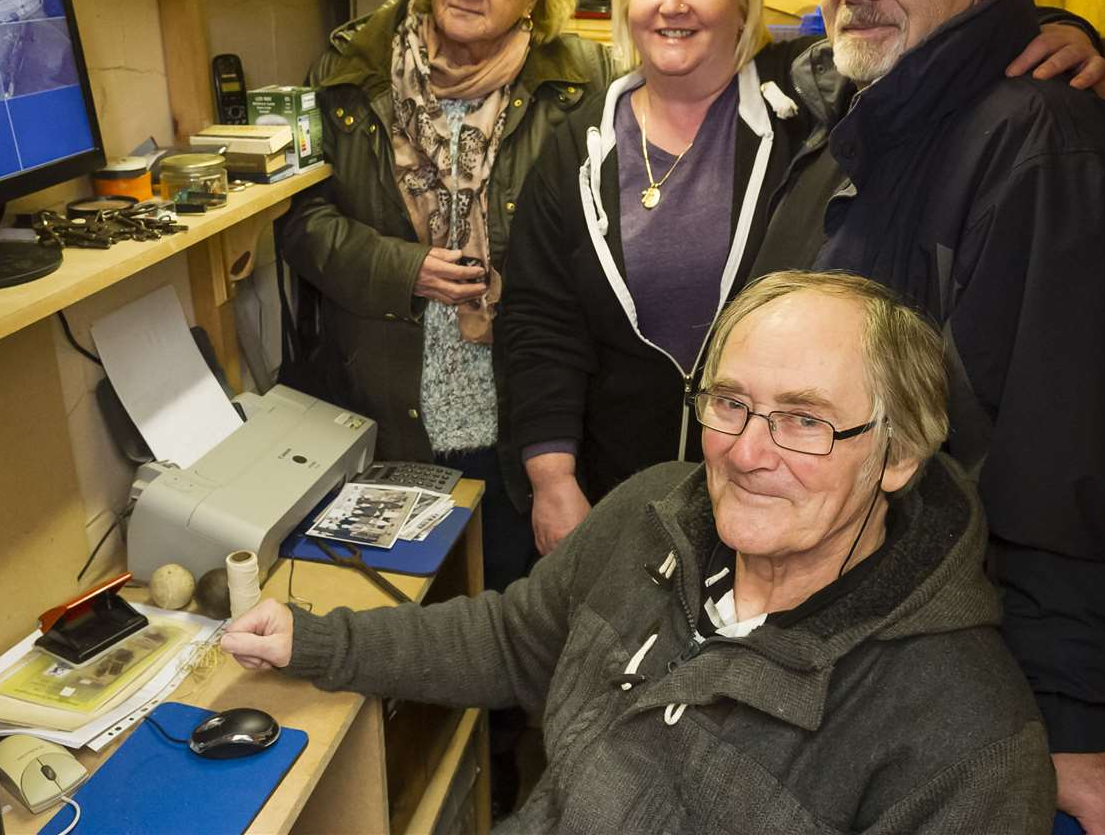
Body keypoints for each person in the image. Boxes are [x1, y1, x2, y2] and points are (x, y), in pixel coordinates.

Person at [224, 271, 1057, 833]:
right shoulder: (652, 509)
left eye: (804, 419)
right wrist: (319, 642)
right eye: (728, 402)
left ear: (901, 455)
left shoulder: (968, 743)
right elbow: (512, 642)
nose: (745, 451)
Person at [742, 0, 1105, 833]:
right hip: (835, 645)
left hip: (948, 679)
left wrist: (1072, 724)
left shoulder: (1043, 147)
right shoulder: (869, 104)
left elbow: (1053, 457)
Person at [496, 0, 1105, 557]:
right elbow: (540, 321)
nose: (671, 6)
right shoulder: (575, 144)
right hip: (611, 493)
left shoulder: (812, 97)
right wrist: (552, 478)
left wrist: (1053, 31)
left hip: (785, 492)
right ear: (621, 3)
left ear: (742, 0)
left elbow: (924, 50)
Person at [279, 0, 614, 594]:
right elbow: (300, 220)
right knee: (406, 609)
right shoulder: (349, 70)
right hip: (386, 399)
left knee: (522, 596)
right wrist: (403, 268)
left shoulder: (582, 81)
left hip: (527, 406)